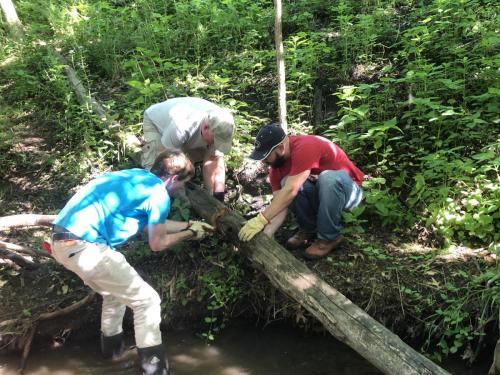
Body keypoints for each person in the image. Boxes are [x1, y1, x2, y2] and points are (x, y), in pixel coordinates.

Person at [50, 148, 214, 375]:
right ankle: (156, 370)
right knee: (147, 302)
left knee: (113, 296)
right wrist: (191, 234)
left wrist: (189, 225)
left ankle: (112, 356)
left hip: (61, 242)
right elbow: (157, 243)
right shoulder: (159, 194)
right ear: (173, 178)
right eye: (183, 183)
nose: (181, 189)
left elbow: (151, 225)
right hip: (86, 246)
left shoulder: (135, 176)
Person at [238, 124, 365, 259]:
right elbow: (280, 203)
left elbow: (291, 190)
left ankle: (328, 238)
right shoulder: (275, 169)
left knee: (326, 178)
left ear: (281, 148)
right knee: (286, 182)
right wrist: (267, 233)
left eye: (266, 156)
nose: (264, 161)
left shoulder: (305, 147)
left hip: (349, 194)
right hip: (324, 198)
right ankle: (309, 229)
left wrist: (260, 219)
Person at [141, 97, 235, 202]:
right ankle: (150, 200)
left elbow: (213, 162)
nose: (216, 144)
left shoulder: (221, 127)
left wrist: (217, 197)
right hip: (155, 122)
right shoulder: (181, 127)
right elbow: (166, 161)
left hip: (188, 134)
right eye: (215, 140)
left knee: (188, 166)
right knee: (157, 170)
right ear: (205, 128)